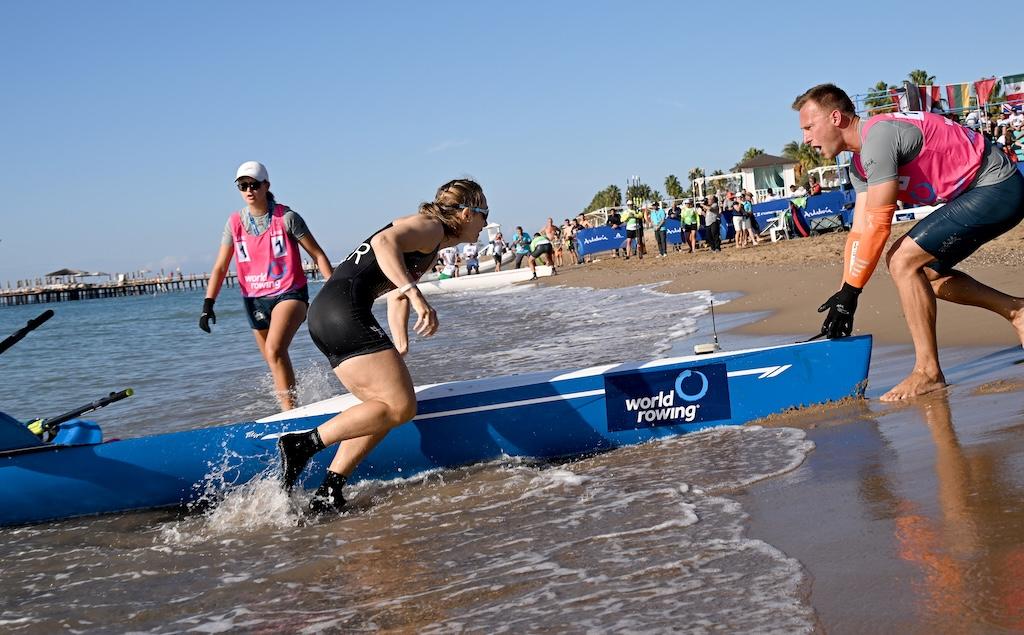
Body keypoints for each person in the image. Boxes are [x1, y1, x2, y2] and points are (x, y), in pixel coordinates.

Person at [793, 83, 1024, 401]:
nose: (806, 139)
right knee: (926, 274)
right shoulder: (859, 165)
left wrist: (853, 292)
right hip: (979, 192)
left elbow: (879, 225)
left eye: (809, 127)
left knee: (902, 261)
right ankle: (1017, 312)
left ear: (835, 118)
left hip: (997, 186)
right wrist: (843, 294)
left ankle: (928, 373)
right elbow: (859, 231)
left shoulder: (879, 138)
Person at [277, 178, 491, 513]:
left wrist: (400, 341)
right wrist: (416, 295)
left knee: (380, 409)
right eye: (484, 214)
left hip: (329, 314)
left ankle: (329, 491)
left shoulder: (432, 241)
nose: (486, 224)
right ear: (466, 213)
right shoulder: (430, 227)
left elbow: (395, 293)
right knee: (401, 406)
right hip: (342, 312)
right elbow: (383, 242)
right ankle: (302, 445)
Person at [200, 161, 333, 411]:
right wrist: (208, 304)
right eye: (243, 186)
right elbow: (220, 267)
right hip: (254, 300)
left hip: (289, 294)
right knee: (273, 358)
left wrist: (333, 291)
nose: (249, 190)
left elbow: (318, 254)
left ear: (266, 186)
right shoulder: (234, 223)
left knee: (274, 349)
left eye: (254, 185)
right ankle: (293, 407)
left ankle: (289, 414)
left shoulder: (287, 218)